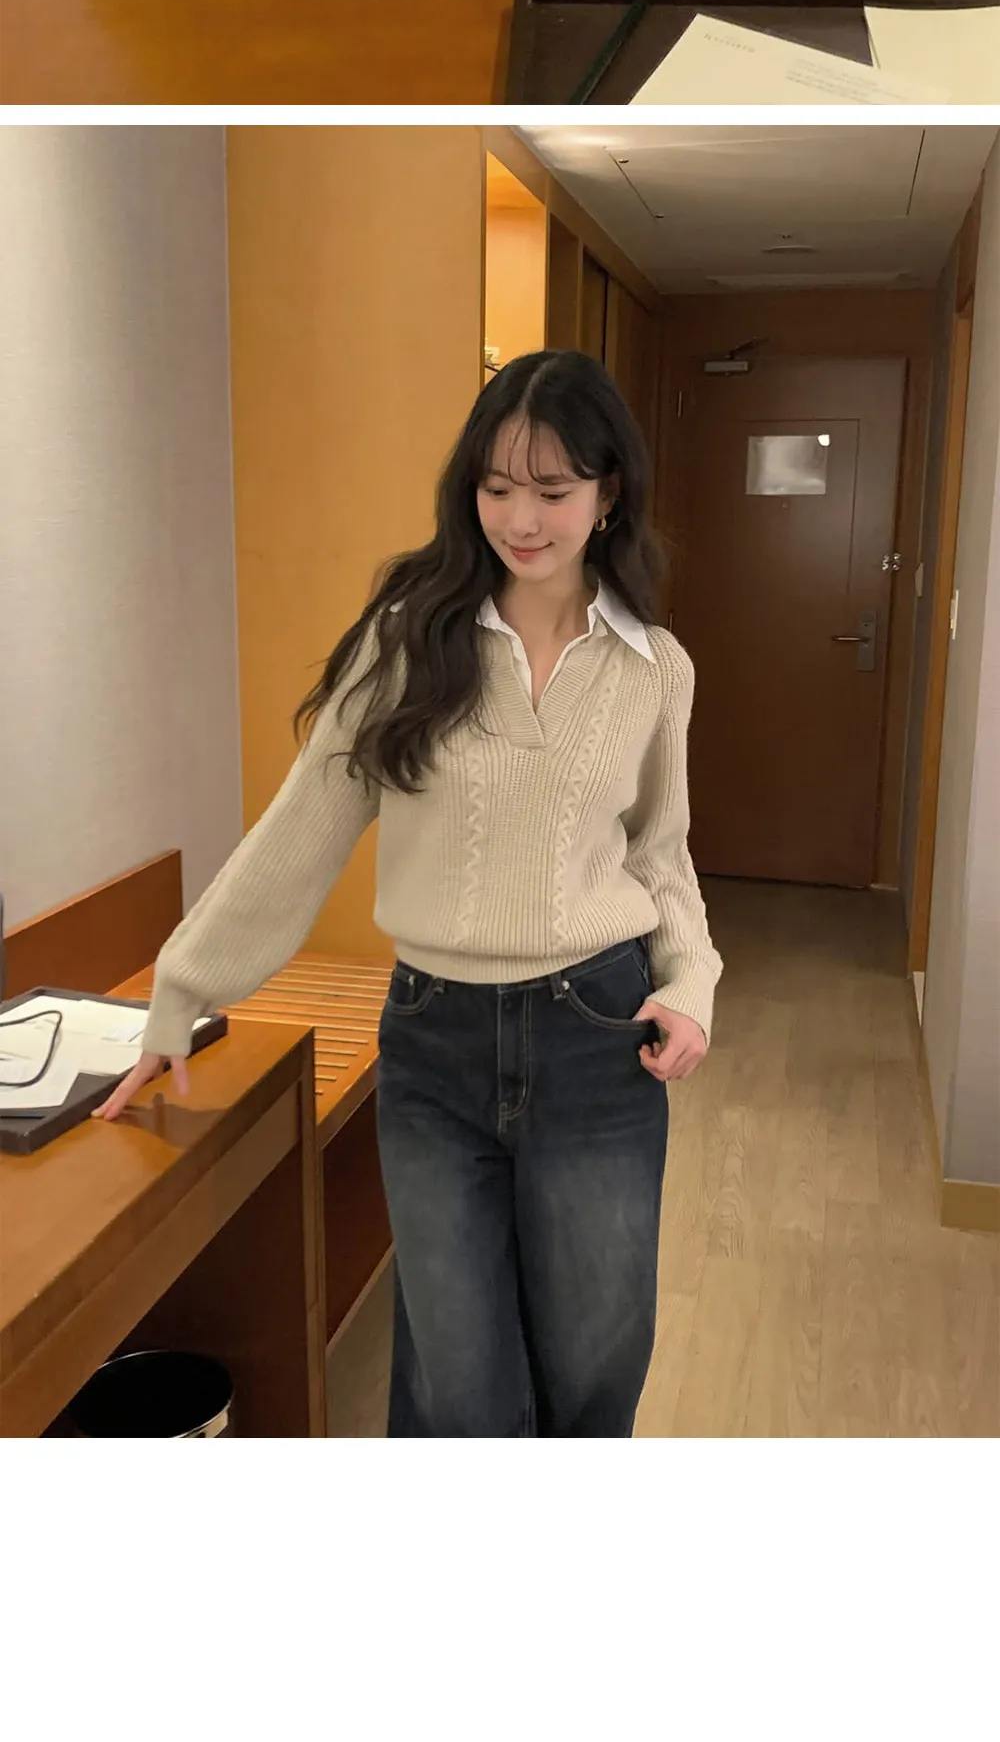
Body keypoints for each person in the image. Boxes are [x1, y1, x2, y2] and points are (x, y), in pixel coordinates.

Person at [94, 352, 723, 1438]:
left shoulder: (653, 667)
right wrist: (181, 991)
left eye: (552, 489)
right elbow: (304, 825)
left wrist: (691, 983)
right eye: (496, 486)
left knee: (596, 1367)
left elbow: (659, 852)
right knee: (462, 1384)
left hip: (597, 1033)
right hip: (435, 1043)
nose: (520, 518)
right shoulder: (408, 639)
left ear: (609, 491)